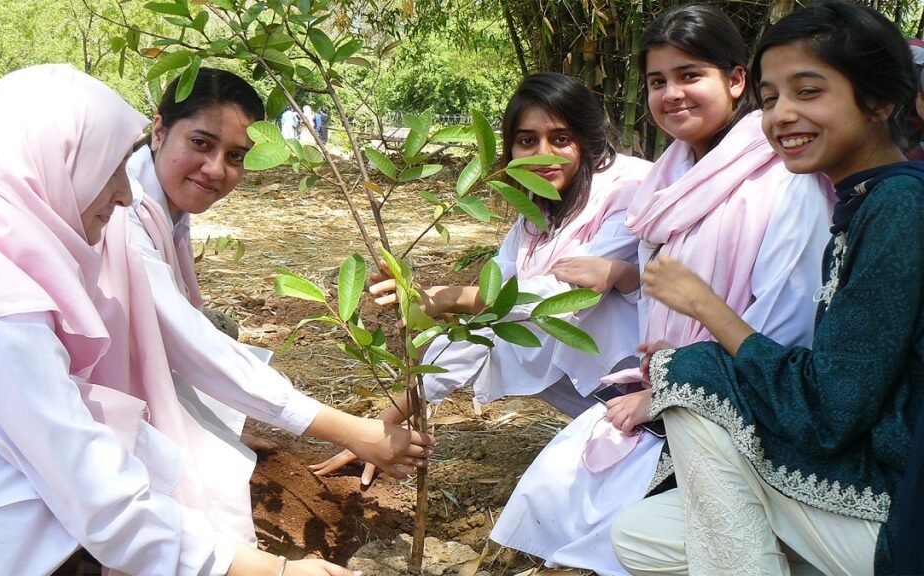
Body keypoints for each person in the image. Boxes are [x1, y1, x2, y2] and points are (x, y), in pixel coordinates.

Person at [0, 64, 361, 576]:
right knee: (73, 469)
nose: (123, 193)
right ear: (52, 162)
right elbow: (88, 481)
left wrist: (206, 431)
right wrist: (270, 570)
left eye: (236, 156)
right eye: (108, 169)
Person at [489, 6, 834, 574]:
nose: (672, 94)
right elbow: (651, 296)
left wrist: (673, 392)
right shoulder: (665, 182)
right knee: (553, 490)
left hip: (745, 399)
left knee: (619, 528)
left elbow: (787, 324)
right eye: (657, 81)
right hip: (669, 377)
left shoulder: (783, 180)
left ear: (736, 80)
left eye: (689, 75)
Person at [611, 2, 923, 574]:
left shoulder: (897, 207)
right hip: (855, 446)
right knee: (640, 536)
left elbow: (830, 410)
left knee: (690, 370)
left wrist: (704, 309)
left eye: (809, 91)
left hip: (901, 498)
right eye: (772, 97)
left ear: (880, 101)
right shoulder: (861, 201)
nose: (781, 115)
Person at [94, 66, 434, 553]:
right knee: (199, 509)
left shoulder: (165, 204)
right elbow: (187, 343)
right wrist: (351, 430)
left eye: (236, 156)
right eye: (201, 143)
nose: (216, 170)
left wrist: (216, 425)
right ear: (159, 129)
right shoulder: (124, 213)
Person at [311, 71, 652, 484]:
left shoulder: (631, 188)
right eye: (527, 141)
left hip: (647, 375)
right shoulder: (537, 214)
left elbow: (563, 294)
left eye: (560, 139)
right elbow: (492, 312)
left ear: (587, 138)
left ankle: (651, 443)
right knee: (498, 329)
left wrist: (450, 296)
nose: (543, 155)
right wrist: (378, 430)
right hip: (596, 381)